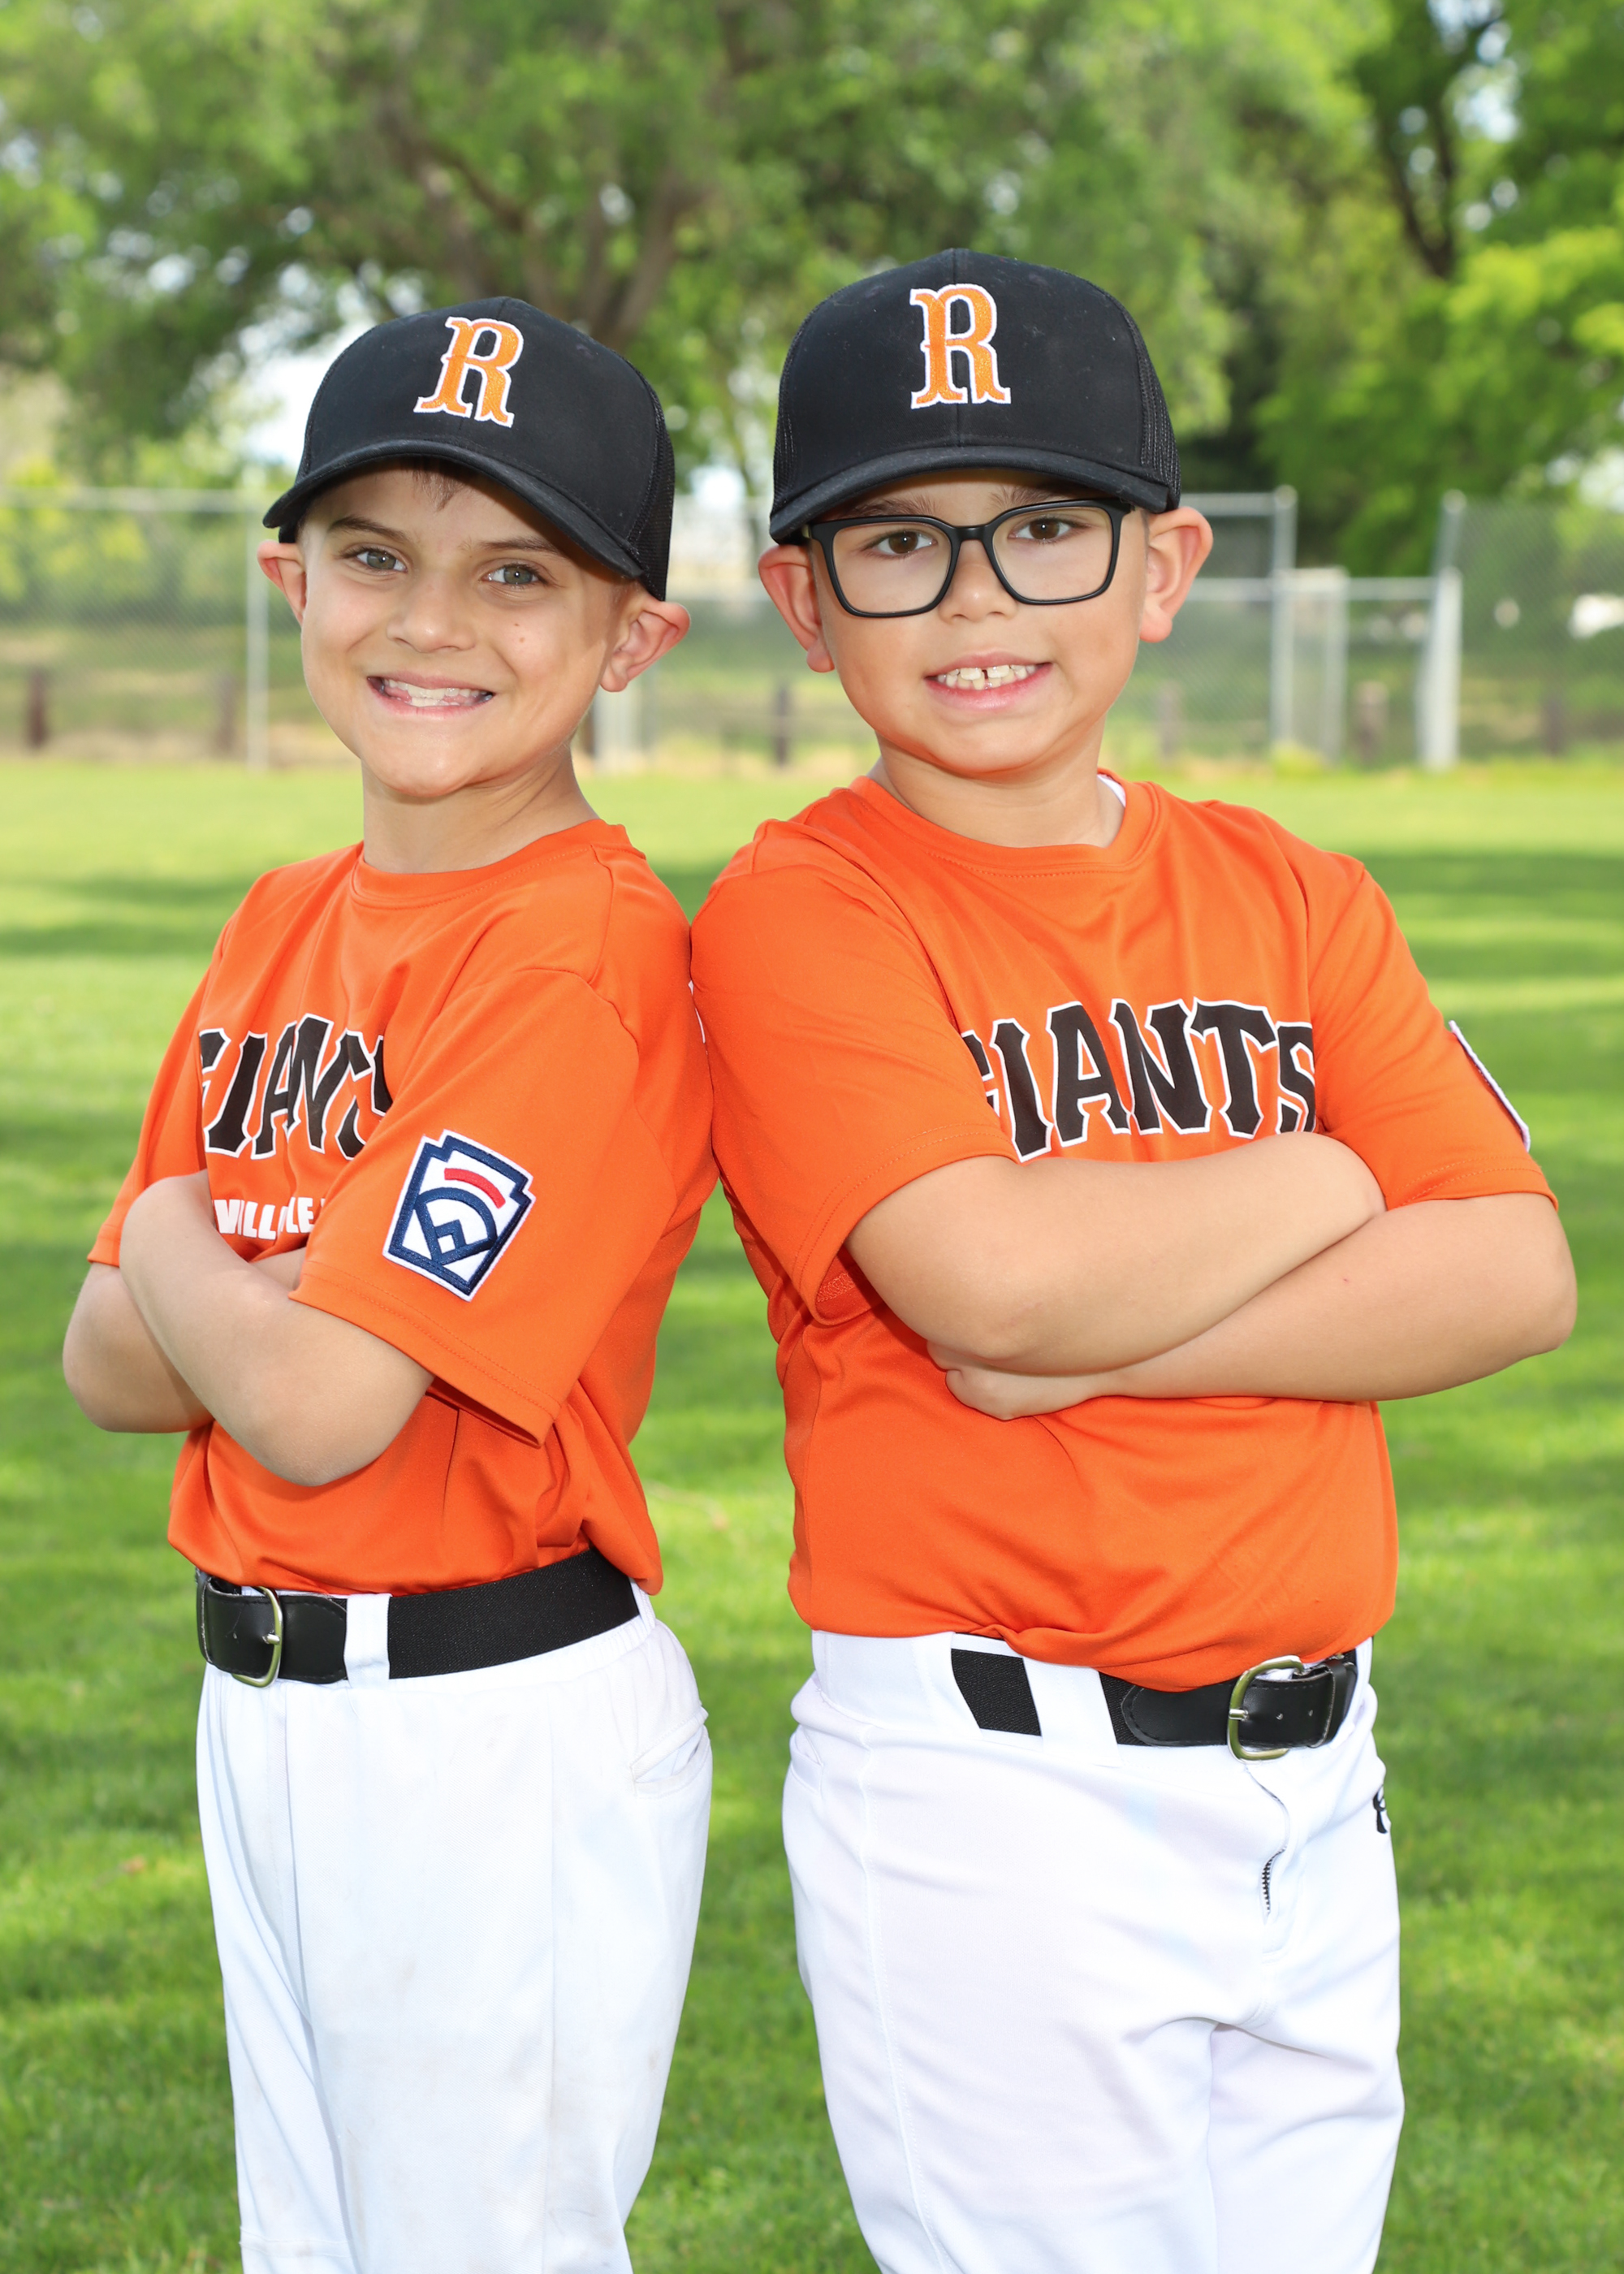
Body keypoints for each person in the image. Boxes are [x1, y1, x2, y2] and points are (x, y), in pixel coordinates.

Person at [689, 249, 1575, 2274]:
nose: (975, 599)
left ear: (1163, 567)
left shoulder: (1292, 888)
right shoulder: (802, 908)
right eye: (898, 544)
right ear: (804, 603)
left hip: (1313, 1773)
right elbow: (988, 1287)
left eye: (1043, 529)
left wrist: (1091, 1338)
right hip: (997, 1792)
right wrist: (1326, 1164)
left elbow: (1513, 1271)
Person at [62, 299, 715, 2274]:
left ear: (629, 638)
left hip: (478, 1723)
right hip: (268, 1702)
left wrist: (175, 1234)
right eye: (374, 555)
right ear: (293, 583)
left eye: (517, 573)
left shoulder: (576, 949)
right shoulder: (287, 918)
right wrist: (236, 1293)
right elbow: (104, 1369)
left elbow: (315, 1404)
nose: (431, 621)